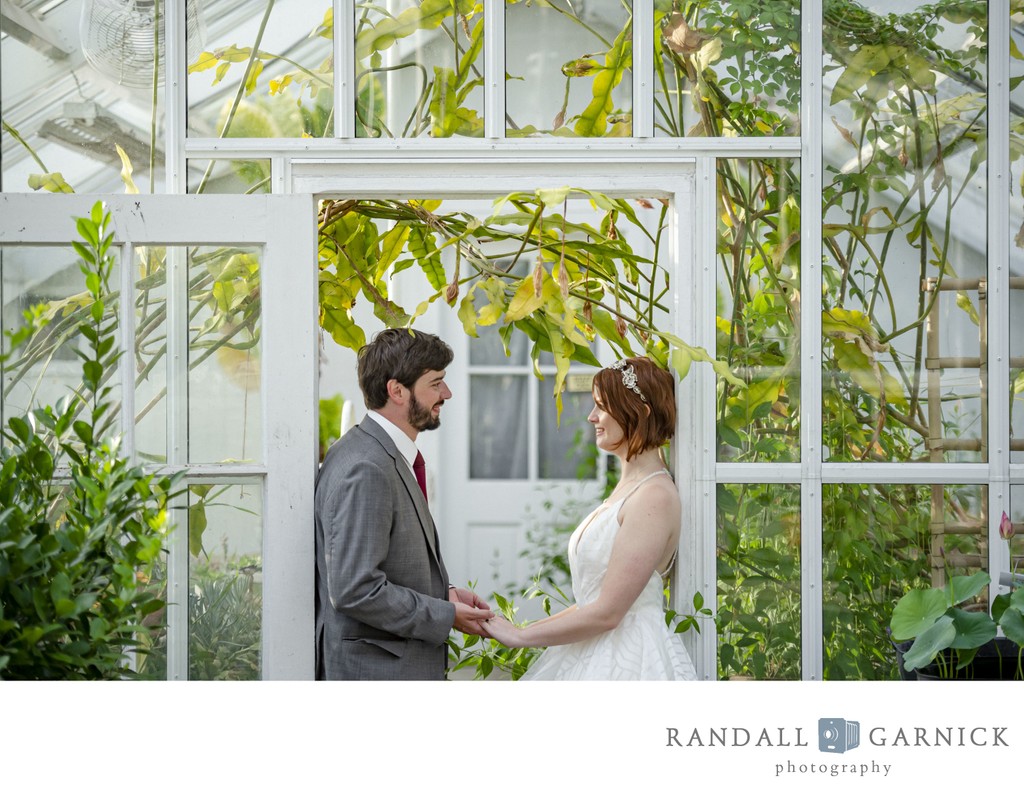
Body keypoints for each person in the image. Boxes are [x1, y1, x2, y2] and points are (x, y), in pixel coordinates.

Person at [482, 356, 697, 680]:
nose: (591, 416)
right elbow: (592, 602)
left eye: (602, 406)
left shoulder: (655, 496)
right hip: (595, 650)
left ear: (640, 413)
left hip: (628, 660)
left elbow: (608, 612)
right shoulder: (631, 487)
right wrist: (515, 630)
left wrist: (521, 638)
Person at [314, 328, 493, 680]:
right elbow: (356, 589)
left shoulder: (375, 452)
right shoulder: (366, 468)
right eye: (436, 383)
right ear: (397, 390)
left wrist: (446, 594)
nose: (447, 393)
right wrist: (445, 614)